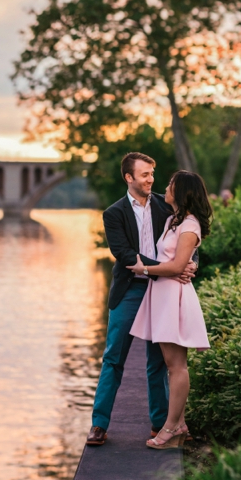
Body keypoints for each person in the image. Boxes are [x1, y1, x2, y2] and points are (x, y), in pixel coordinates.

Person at [85, 153, 197, 447]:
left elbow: (186, 237)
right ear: (129, 178)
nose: (151, 179)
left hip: (162, 291)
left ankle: (160, 424)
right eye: (145, 174)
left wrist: (191, 261)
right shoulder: (114, 213)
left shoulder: (167, 205)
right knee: (113, 358)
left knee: (157, 361)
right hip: (131, 290)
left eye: (152, 174)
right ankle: (99, 424)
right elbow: (124, 255)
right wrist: (170, 269)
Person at [128, 170, 212, 449]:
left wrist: (145, 268)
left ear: (183, 191)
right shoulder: (171, 221)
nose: (165, 187)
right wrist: (187, 263)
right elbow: (177, 260)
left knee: (177, 366)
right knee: (170, 365)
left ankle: (171, 428)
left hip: (174, 295)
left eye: (171, 184)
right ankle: (180, 423)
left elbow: (177, 266)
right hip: (161, 294)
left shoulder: (190, 225)